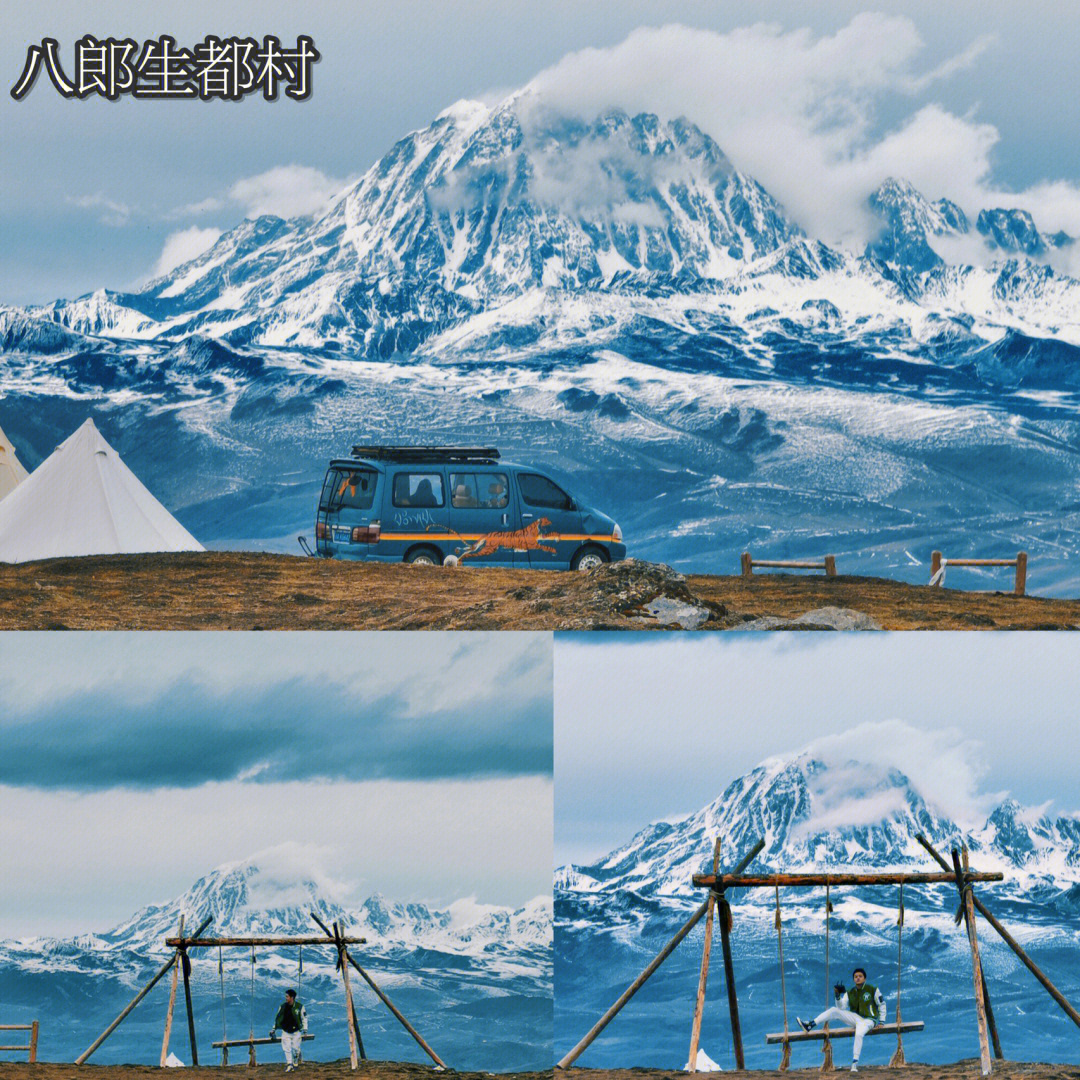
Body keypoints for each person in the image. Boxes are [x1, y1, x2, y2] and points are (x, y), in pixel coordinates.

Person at [796, 968, 885, 1072]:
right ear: (853, 979)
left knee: (859, 1033)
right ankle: (810, 1025)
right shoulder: (850, 992)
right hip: (855, 1018)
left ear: (865, 978)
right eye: (856, 977)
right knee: (834, 1010)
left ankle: (854, 1064)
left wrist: (882, 1022)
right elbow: (841, 1007)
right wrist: (838, 995)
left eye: (860, 976)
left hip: (869, 1020)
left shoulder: (873, 990)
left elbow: (882, 1005)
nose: (858, 978)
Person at [271, 988, 308, 1072]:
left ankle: (295, 1060)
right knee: (286, 1048)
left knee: (295, 1048)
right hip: (286, 1031)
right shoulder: (282, 1007)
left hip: (296, 1031)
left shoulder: (300, 1007)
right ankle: (289, 1064)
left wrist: (305, 1030)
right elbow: (278, 1018)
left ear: (292, 997)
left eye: (287, 996)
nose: (286, 998)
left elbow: (304, 1018)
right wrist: (274, 1029)